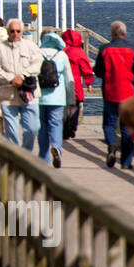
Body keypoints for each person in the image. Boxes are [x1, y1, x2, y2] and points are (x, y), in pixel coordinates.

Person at [94, 21, 134, 169]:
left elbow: (98, 71)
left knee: (109, 124)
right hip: (128, 92)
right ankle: (126, 161)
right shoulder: (133, 50)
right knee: (127, 127)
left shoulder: (104, 50)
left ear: (111, 33)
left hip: (110, 91)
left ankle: (111, 145)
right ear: (125, 33)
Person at [0, 18, 44, 149]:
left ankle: (26, 153)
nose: (15, 33)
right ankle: (16, 156)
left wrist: (23, 76)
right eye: (12, 31)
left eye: (18, 31)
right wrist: (11, 78)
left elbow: (37, 63)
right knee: (11, 132)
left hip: (28, 93)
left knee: (32, 128)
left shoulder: (30, 46)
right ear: (8, 31)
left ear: (22, 32)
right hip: (7, 95)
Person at [36, 30, 75, 168]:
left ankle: (43, 157)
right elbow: (69, 78)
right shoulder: (62, 55)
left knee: (42, 127)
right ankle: (57, 147)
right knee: (56, 124)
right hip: (57, 98)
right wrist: (71, 100)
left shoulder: (37, 54)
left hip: (40, 97)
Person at [61, 28, 94, 140]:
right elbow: (86, 68)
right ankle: (71, 128)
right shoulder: (79, 52)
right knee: (74, 108)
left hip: (62, 85)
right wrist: (88, 82)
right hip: (75, 84)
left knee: (64, 108)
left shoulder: (61, 50)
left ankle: (64, 129)